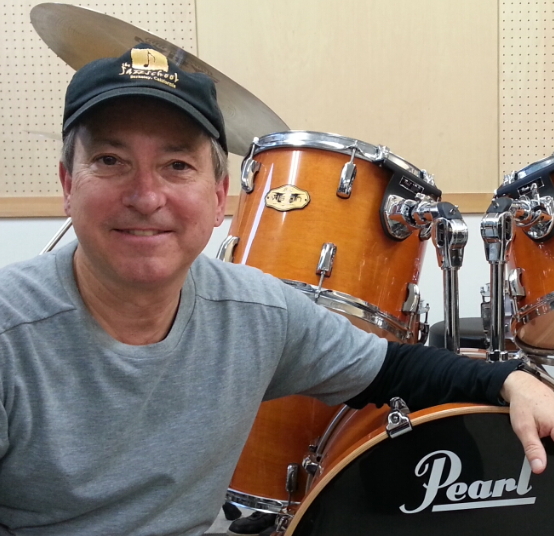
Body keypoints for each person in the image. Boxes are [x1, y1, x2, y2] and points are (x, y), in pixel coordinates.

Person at [0, 43, 553, 536]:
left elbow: (393, 368)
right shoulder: (10, 331)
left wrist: (511, 381)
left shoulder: (254, 310)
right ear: (68, 185)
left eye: (177, 165)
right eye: (110, 161)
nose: (146, 196)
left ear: (220, 197)